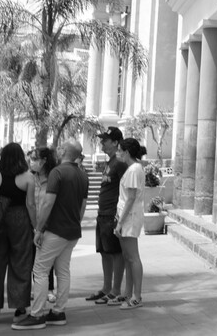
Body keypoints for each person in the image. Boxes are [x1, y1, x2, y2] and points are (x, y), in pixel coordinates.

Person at [12, 140, 89, 331]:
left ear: (63, 151)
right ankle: (58, 311)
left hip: (55, 230)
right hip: (72, 231)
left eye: (61, 147)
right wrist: (75, 223)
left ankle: (37, 314)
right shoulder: (82, 174)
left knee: (40, 270)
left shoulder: (58, 172)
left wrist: (39, 229)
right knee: (63, 271)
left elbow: (47, 203)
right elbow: (83, 206)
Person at [0, 143, 35, 324]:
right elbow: (31, 205)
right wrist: (36, 226)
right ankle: (19, 309)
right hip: (20, 219)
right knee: (21, 263)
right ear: (20, 157)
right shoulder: (28, 177)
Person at [85, 127, 129, 306]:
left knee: (116, 252)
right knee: (104, 251)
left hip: (112, 214)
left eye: (105, 140)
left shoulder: (119, 163)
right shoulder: (110, 162)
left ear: (116, 142)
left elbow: (127, 189)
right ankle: (106, 287)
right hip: (102, 214)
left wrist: (120, 216)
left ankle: (116, 290)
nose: (102, 142)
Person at [113, 137, 146, 309]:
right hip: (126, 215)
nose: (117, 153)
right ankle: (128, 293)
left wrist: (120, 222)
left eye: (119, 150)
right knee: (128, 257)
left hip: (130, 217)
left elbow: (131, 198)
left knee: (133, 257)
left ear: (126, 152)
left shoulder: (134, 169)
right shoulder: (133, 168)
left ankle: (137, 296)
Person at [27, 147, 58, 303]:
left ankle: (50, 289)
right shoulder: (30, 178)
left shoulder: (53, 178)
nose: (32, 161)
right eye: (31, 158)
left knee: (48, 260)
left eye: (35, 158)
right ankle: (37, 288)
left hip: (48, 224)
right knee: (34, 258)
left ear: (44, 160)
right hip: (32, 224)